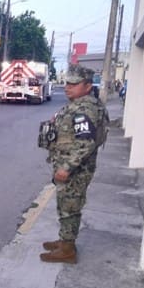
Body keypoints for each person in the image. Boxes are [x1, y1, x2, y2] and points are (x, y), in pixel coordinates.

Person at [39, 65, 109, 264]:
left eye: (74, 84)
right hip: (71, 166)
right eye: (67, 83)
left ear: (87, 86)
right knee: (65, 204)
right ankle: (64, 241)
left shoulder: (84, 108)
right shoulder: (80, 104)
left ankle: (68, 249)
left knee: (70, 206)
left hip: (76, 170)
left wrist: (66, 167)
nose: (68, 87)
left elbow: (85, 143)